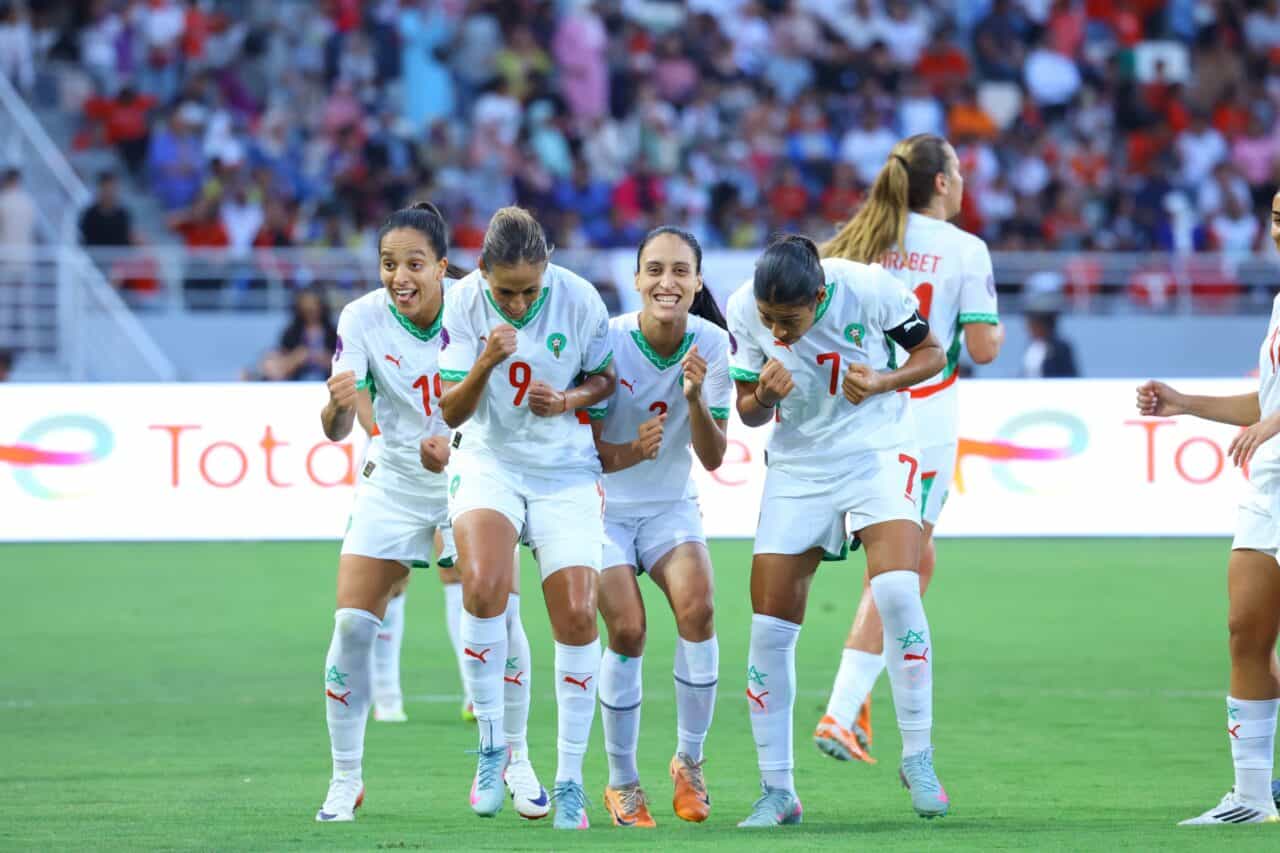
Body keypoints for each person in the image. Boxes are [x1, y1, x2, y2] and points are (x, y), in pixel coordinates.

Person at [314, 202, 546, 823]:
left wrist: (459, 443)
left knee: (504, 616)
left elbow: (507, 400)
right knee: (351, 626)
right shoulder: (361, 317)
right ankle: (344, 779)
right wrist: (338, 408)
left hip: (473, 475)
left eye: (414, 264)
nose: (400, 277)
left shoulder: (478, 305)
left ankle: (516, 760)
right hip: (392, 481)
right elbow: (337, 424)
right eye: (389, 264)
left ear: (442, 267)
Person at [727, 235, 948, 826]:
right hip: (799, 463)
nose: (778, 332)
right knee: (769, 628)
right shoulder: (742, 306)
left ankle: (918, 756)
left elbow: (933, 354)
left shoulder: (869, 288)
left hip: (877, 448)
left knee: (897, 590)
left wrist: (881, 380)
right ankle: (778, 790)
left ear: (819, 297)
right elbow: (747, 408)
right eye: (769, 319)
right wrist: (762, 396)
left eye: (790, 320)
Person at [813, 134, 1003, 764]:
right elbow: (983, 349)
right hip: (922, 414)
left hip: (857, 411)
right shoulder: (964, 248)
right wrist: (991, 324)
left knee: (914, 561)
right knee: (903, 563)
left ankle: (861, 690)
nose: (964, 181)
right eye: (959, 171)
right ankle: (842, 711)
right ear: (942, 182)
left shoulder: (862, 238)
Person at [438, 206, 615, 830]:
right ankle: (495, 749)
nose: (517, 305)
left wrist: (568, 398)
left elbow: (605, 379)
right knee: (483, 586)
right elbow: (451, 410)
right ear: (483, 270)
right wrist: (485, 361)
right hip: (490, 460)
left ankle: (570, 780)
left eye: (529, 292)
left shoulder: (580, 298)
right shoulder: (462, 302)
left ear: (549, 269)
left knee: (577, 615)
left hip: (565, 470)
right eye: (506, 292)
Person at [1137, 188, 1280, 826]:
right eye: (1276, 218)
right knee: (1245, 630)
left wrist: (1272, 423)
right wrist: (1184, 403)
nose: (1279, 230)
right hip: (1268, 484)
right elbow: (1267, 400)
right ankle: (1251, 798)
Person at [586, 227, 729, 827]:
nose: (667, 282)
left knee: (699, 609)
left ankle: (689, 763)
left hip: (670, 505)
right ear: (637, 278)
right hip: (604, 510)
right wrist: (629, 451)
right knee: (628, 628)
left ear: (697, 282)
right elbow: (582, 447)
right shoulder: (607, 340)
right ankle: (622, 782)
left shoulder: (713, 343)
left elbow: (715, 457)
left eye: (679, 271)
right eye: (655, 270)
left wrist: (693, 400)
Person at [1021, 310, 1078, 377]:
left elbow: (1069, 375)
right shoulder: (1031, 347)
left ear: (1044, 326)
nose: (1029, 329)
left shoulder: (1060, 349)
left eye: (1033, 325)